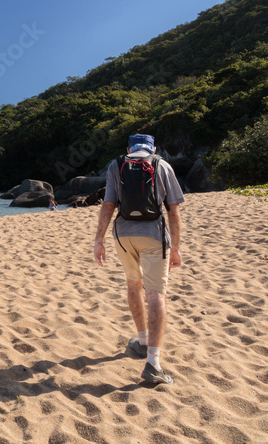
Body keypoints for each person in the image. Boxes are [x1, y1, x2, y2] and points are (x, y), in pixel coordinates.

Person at [93, 134, 184, 385]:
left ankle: (142, 341)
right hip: (154, 235)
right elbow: (173, 211)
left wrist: (99, 240)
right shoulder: (162, 165)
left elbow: (108, 205)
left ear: (129, 148)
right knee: (156, 293)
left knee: (133, 284)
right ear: (153, 148)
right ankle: (153, 363)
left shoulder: (116, 165)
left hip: (123, 236)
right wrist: (175, 247)